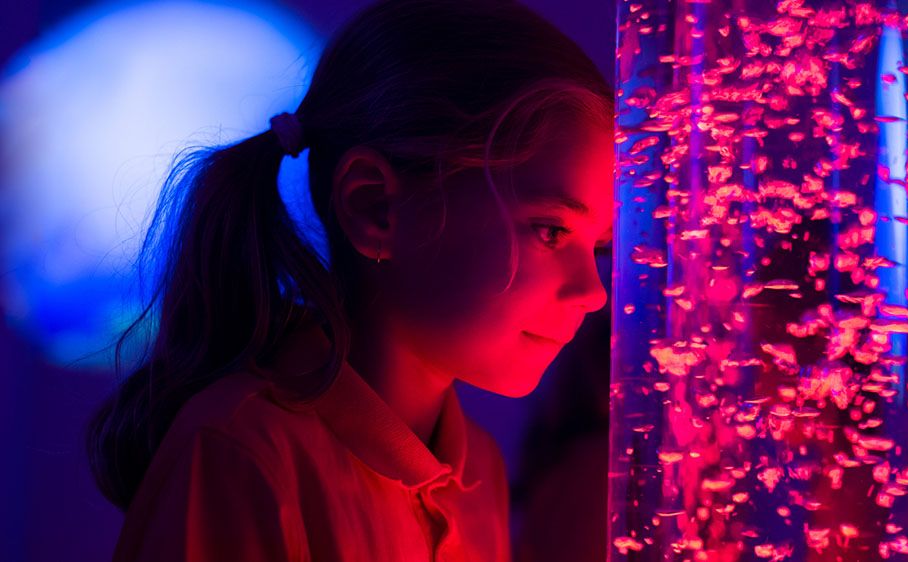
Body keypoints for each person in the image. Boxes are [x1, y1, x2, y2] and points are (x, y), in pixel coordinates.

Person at [84, 0, 614, 560]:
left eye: (599, 247)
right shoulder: (241, 454)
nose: (595, 293)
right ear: (375, 208)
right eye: (552, 231)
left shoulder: (479, 470)